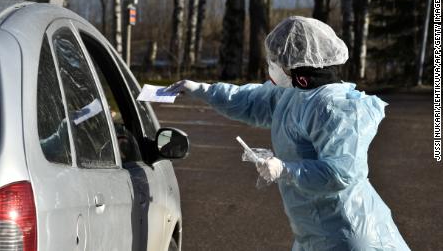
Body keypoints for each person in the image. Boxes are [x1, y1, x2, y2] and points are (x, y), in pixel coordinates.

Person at [165, 16, 410, 250]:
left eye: (277, 59)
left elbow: (341, 173)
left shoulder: (334, 107)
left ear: (298, 63)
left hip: (348, 232)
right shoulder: (293, 93)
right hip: (312, 232)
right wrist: (201, 89)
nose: (272, 64)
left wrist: (285, 169)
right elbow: (249, 101)